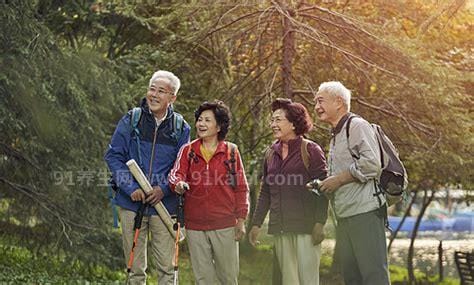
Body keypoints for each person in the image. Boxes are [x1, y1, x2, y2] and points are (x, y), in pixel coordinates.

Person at [104, 70, 191, 285]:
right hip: (132, 204)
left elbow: (183, 166)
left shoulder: (181, 128)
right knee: (135, 271)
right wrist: (130, 186)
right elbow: (114, 156)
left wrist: (163, 188)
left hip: (165, 208)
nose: (154, 94)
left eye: (161, 91)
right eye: (152, 88)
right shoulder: (131, 119)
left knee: (168, 271)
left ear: (173, 98)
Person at [314, 81, 390, 285]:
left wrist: (337, 180)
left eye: (320, 100)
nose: (316, 106)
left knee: (374, 276)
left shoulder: (356, 126)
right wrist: (324, 185)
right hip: (346, 215)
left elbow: (372, 164)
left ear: (339, 102)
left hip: (364, 213)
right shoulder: (337, 133)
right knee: (352, 278)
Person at [169, 100, 249, 285]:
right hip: (195, 225)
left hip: (225, 225)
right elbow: (175, 175)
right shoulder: (188, 150)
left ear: (219, 126)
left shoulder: (231, 151)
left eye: (207, 120)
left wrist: (241, 220)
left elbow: (241, 187)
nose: (201, 124)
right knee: (203, 279)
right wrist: (179, 184)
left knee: (228, 277)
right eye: (199, 119)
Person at [249, 98, 328, 285]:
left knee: (308, 280)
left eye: (278, 120)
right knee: (288, 281)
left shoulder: (311, 150)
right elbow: (266, 192)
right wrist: (256, 224)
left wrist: (319, 222)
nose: (273, 124)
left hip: (306, 228)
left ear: (293, 123)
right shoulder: (270, 153)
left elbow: (323, 188)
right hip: (280, 228)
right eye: (272, 120)